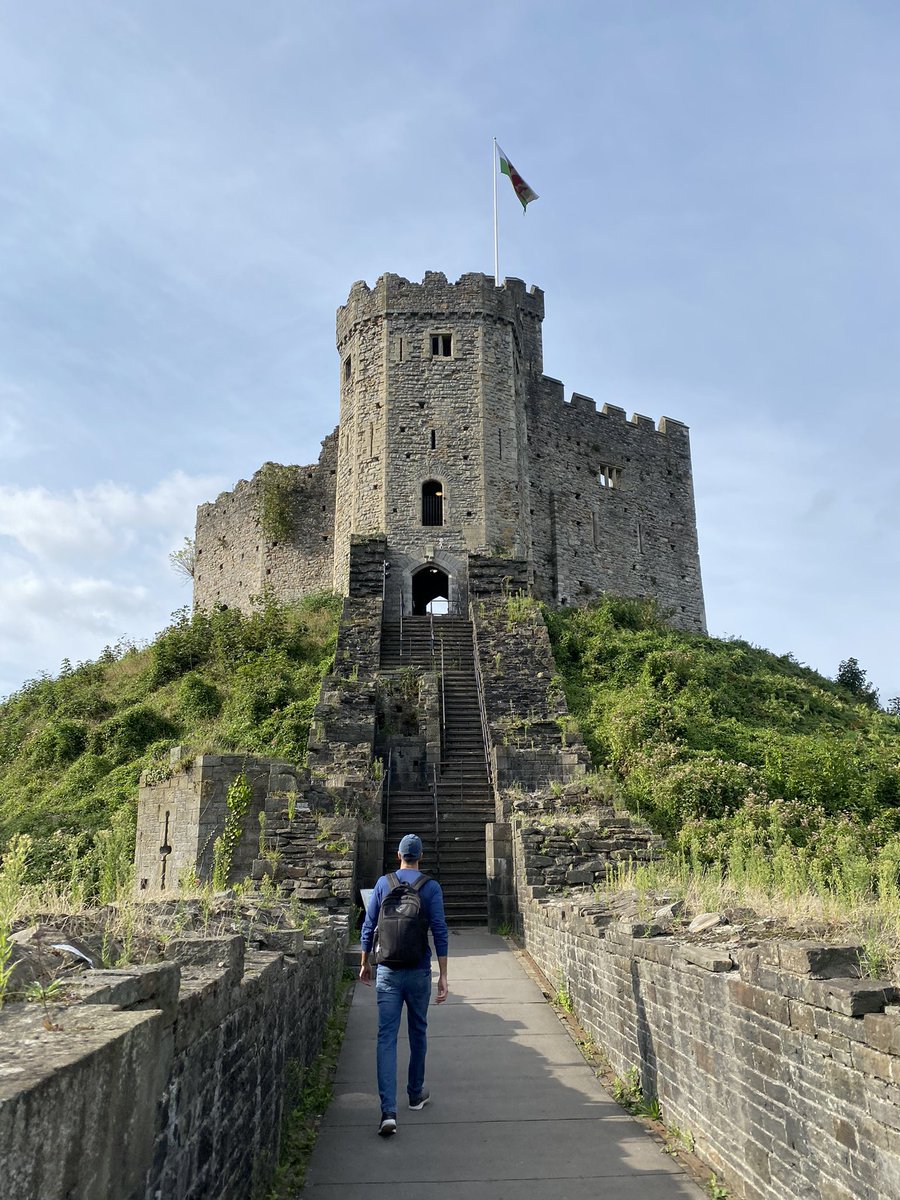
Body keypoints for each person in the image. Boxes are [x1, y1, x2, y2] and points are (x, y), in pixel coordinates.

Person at [359, 833, 449, 1136]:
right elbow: (439, 931)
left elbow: (369, 926)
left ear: (399, 855)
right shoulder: (431, 887)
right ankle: (414, 1094)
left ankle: (388, 1111)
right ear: (420, 857)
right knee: (418, 1031)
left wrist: (364, 963)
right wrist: (444, 975)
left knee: (386, 1037)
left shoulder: (384, 884)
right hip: (419, 970)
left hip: (387, 969)